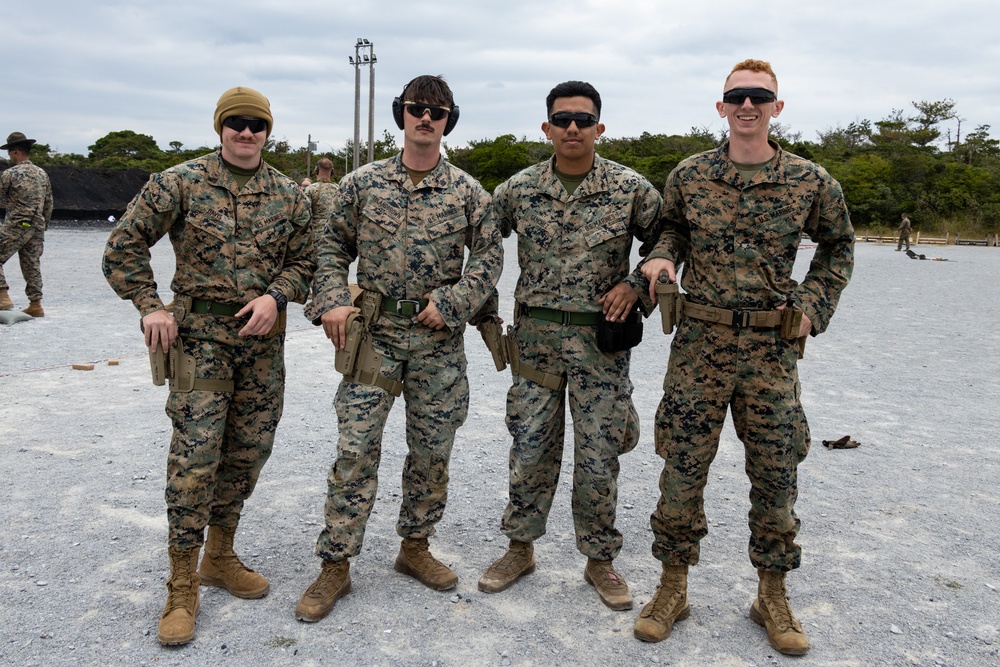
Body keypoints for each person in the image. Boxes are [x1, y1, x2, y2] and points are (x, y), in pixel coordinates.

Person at [633, 59, 854, 655]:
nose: (748, 105)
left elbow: (838, 248)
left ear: (777, 108)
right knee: (681, 468)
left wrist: (813, 303)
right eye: (737, 97)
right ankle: (672, 586)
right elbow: (670, 231)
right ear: (721, 106)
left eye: (760, 97)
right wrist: (659, 260)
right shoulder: (691, 174)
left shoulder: (811, 181)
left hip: (771, 349)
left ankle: (772, 594)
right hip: (699, 343)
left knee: (777, 473)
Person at [102, 86, 314, 646]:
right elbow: (123, 247)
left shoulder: (291, 195)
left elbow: (308, 259)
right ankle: (180, 582)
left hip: (261, 342)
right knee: (196, 456)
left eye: (257, 125)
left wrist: (277, 295)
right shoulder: (180, 182)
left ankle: (219, 554)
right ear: (220, 127)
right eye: (237, 123)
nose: (247, 133)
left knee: (248, 451)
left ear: (269, 131)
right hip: (199, 342)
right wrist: (150, 306)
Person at [295, 75, 502, 623]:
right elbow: (330, 245)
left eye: (436, 111)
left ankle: (415, 547)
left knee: (432, 451)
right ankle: (335, 563)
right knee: (356, 448)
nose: (425, 118)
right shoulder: (362, 184)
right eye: (416, 109)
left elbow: (488, 259)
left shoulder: (467, 193)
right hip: (376, 336)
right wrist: (332, 301)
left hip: (437, 342)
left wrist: (455, 301)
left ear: (448, 120)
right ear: (401, 114)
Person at [477, 81, 663, 611]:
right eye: (562, 119)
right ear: (547, 128)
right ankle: (519, 548)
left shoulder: (631, 189)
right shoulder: (519, 188)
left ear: (600, 128)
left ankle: (600, 558)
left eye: (583, 120)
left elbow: (666, 245)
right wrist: (479, 308)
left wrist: (636, 285)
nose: (573, 128)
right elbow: (483, 243)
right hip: (535, 341)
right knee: (530, 446)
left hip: (600, 344)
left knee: (600, 455)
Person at [0, 132, 54, 317]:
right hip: (37, 225)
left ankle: (3, 297)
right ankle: (35, 304)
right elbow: (49, 203)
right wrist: (42, 225)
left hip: (17, 224)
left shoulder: (10, 174)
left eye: (9, 152)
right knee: (31, 265)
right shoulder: (42, 174)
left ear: (15, 152)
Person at [305, 157, 337, 242]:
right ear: (332, 171)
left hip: (317, 236)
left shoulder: (310, 189)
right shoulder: (340, 189)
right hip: (336, 236)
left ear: (316, 170)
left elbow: (304, 215)